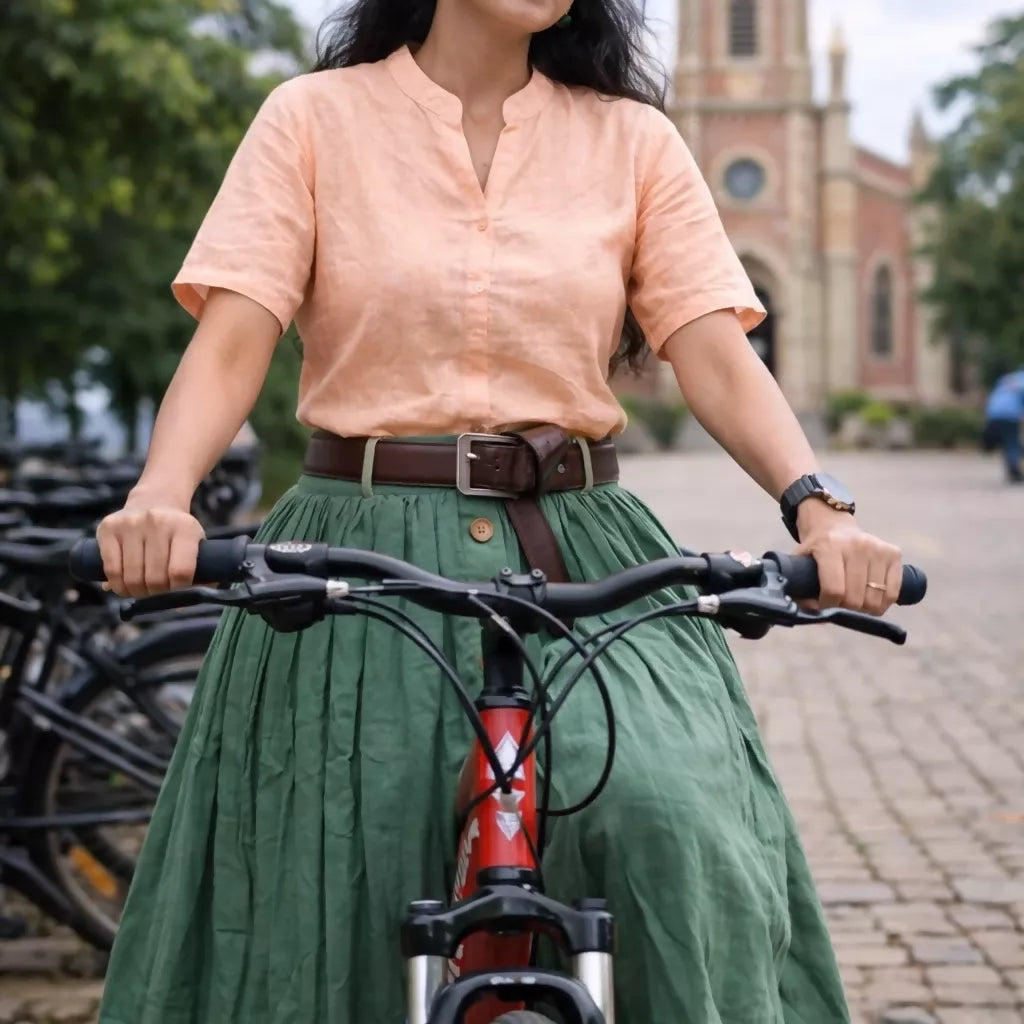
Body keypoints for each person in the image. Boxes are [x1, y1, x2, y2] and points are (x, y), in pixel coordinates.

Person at [93, 1, 905, 1021]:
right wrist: (161, 497)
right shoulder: (311, 120)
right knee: (332, 852)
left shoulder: (633, 141)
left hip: (577, 549)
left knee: (674, 820)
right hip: (355, 546)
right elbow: (231, 341)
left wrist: (818, 510)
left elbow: (712, 351)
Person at [983, 370, 1024, 483]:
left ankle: (1013, 469)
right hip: (1010, 414)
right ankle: (1014, 471)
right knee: (1011, 442)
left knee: (1008, 443)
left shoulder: (1006, 378)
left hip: (994, 413)